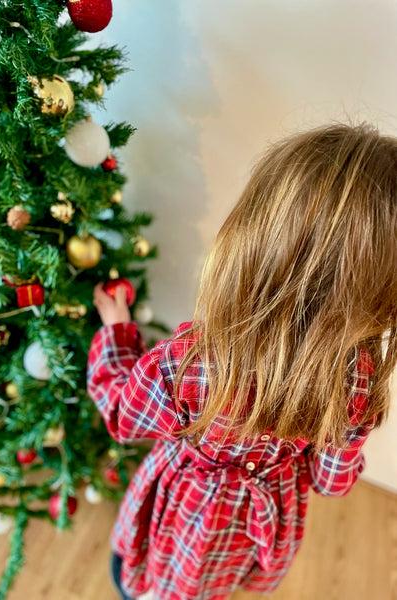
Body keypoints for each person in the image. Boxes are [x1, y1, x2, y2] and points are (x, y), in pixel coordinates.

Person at [87, 123, 397, 600]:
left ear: (255, 235)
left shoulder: (189, 362)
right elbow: (331, 481)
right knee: (212, 583)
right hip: (254, 527)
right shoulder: (360, 381)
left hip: (180, 519)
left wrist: (116, 333)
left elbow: (121, 416)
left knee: (158, 583)